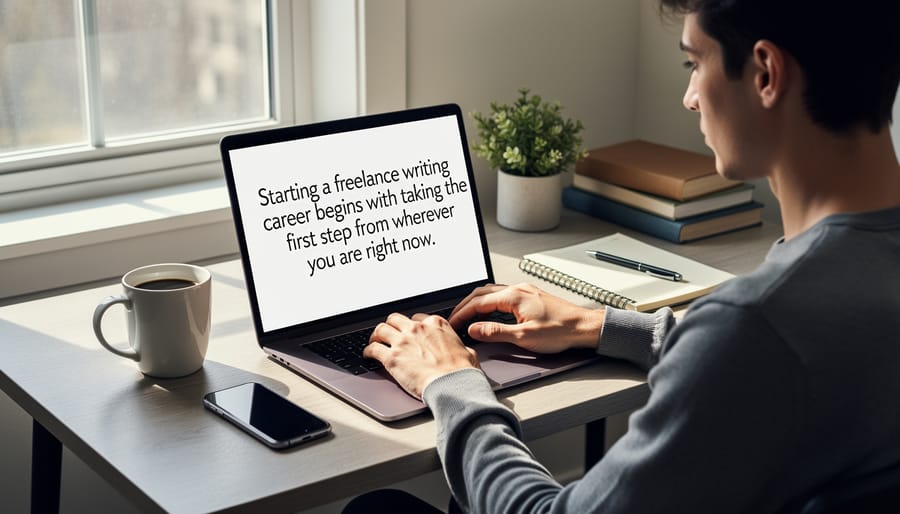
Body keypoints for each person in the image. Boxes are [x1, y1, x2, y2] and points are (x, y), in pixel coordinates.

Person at [350, 0, 900, 511]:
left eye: (694, 62)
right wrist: (598, 325)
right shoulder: (829, 290)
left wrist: (451, 384)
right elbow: (780, 365)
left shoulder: (757, 323)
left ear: (765, 74)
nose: (689, 96)